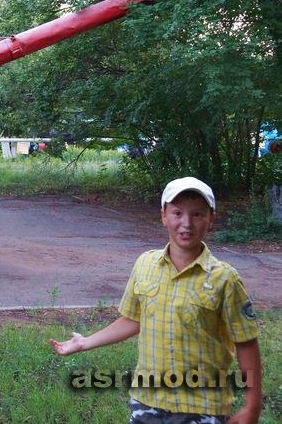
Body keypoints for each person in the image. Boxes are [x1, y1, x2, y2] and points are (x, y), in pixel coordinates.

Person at [51, 177, 263, 424]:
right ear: (163, 216)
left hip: (201, 406)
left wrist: (252, 407)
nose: (186, 224)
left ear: (211, 218)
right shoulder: (145, 264)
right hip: (147, 402)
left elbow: (246, 342)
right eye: (177, 213)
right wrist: (85, 342)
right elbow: (132, 319)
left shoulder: (224, 279)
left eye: (197, 214)